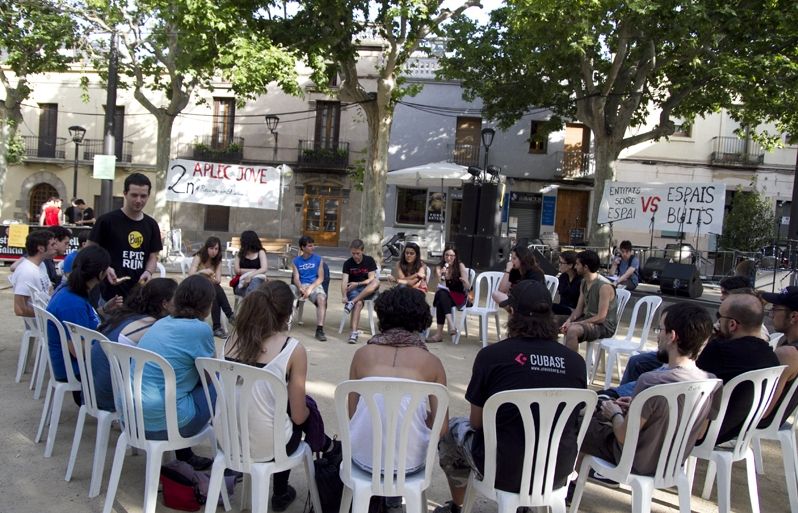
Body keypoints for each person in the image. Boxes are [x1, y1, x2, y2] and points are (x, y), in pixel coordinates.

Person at [435, 280, 587, 513]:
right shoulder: (576, 362)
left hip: (503, 468)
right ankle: (525, 505)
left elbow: (476, 423)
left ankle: (458, 505)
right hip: (556, 469)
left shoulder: (491, 356)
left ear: (512, 312)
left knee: (454, 430)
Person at [224, 281, 340, 511]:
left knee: (279, 412)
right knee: (294, 415)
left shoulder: (231, 339)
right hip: (269, 445)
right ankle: (281, 491)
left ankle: (323, 447)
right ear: (288, 312)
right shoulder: (291, 348)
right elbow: (298, 417)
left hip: (228, 438)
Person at [578, 303, 719, 483]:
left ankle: (566, 485)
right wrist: (637, 408)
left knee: (576, 421)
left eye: (660, 329)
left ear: (672, 336)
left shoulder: (651, 380)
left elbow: (623, 435)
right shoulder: (712, 382)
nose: (657, 334)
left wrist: (614, 414)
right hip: (672, 463)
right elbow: (699, 434)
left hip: (632, 460)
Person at [348, 286, 447, 511]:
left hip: (364, 460)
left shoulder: (361, 356)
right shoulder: (432, 363)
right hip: (409, 464)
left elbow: (352, 414)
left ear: (382, 316)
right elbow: (442, 428)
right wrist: (420, 417)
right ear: (421, 319)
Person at [138, 274, 217, 470]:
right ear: (207, 305)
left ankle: (186, 456)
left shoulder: (160, 323)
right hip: (165, 425)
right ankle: (231, 457)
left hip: (132, 419)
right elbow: (209, 377)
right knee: (221, 384)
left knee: (182, 386)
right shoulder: (200, 330)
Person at [696, 292, 780, 444]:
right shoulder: (771, 357)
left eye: (719, 316)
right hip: (738, 432)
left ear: (732, 324)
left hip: (707, 433)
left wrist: (709, 339)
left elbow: (685, 377)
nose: (717, 321)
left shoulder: (720, 351)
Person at [91, 278, 178, 411]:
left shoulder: (128, 315)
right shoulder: (151, 326)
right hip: (111, 397)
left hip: (93, 390)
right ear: (165, 304)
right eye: (177, 299)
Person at [88, 172, 162, 300]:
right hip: (107, 295)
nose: (139, 200)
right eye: (134, 195)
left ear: (148, 196)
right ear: (125, 193)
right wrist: (105, 268)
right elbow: (89, 251)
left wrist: (148, 272)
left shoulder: (151, 225)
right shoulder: (106, 221)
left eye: (143, 196)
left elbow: (153, 256)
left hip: (137, 297)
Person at [46, 245, 110, 385]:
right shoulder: (72, 303)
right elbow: (78, 350)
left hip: (74, 365)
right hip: (75, 370)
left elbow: (84, 321)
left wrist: (104, 309)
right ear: (100, 274)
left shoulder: (69, 290)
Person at [561, 250, 618, 352]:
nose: (575, 267)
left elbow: (601, 317)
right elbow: (578, 309)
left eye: (578, 264)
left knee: (573, 330)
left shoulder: (604, 286)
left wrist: (575, 324)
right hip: (588, 319)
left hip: (604, 326)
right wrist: (569, 320)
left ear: (586, 267)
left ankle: (571, 365)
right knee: (550, 321)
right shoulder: (584, 282)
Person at [760, 286, 798, 429]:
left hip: (759, 424)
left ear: (794, 316)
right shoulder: (785, 342)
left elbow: (763, 411)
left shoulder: (788, 354)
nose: (771, 314)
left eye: (776, 309)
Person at [190, 236, 235, 338]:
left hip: (210, 287)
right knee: (214, 289)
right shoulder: (199, 256)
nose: (214, 251)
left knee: (214, 289)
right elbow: (191, 275)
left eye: (216, 249)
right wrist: (203, 271)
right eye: (211, 248)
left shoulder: (217, 260)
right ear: (207, 248)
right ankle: (229, 316)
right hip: (196, 286)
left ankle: (217, 327)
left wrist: (213, 278)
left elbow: (218, 280)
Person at [341, 239, 380, 344]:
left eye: (357, 253)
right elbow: (344, 280)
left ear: (362, 251)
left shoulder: (369, 260)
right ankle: (354, 333)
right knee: (358, 304)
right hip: (353, 290)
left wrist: (357, 283)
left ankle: (352, 302)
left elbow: (371, 279)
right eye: (353, 253)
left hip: (367, 288)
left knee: (376, 282)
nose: (355, 256)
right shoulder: (348, 263)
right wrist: (344, 295)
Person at [11, 230, 57, 318]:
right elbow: (19, 309)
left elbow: (49, 290)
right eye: (52, 245)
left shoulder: (41, 264)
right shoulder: (26, 271)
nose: (56, 247)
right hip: (42, 325)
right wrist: (49, 316)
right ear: (41, 248)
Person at [429, 246, 471, 343]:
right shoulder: (439, 267)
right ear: (443, 256)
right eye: (447, 255)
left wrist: (464, 281)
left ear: (455, 257)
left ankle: (440, 334)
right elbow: (440, 285)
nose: (449, 258)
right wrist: (442, 275)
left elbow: (468, 286)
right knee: (441, 295)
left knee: (440, 297)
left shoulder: (460, 266)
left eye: (452, 256)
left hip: (458, 296)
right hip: (446, 295)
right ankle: (451, 325)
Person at [291, 235, 327, 341]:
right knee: (288, 290)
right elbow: (296, 278)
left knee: (322, 299)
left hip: (314, 285)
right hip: (301, 285)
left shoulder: (318, 259)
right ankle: (284, 322)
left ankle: (319, 330)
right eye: (310, 246)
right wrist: (301, 288)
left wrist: (310, 288)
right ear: (303, 248)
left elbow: (321, 278)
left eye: (313, 245)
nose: (313, 248)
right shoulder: (296, 261)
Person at [233, 230, 268, 298]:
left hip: (257, 282)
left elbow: (264, 268)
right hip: (242, 284)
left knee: (255, 283)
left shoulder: (260, 252)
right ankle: (252, 304)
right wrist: (254, 270)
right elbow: (236, 270)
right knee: (256, 293)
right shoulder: (239, 254)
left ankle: (249, 305)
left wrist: (250, 276)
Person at [554, 250, 582, 315]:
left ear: (570, 265)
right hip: (563, 308)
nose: (559, 264)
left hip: (574, 310)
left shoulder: (580, 280)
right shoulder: (563, 277)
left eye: (561, 263)